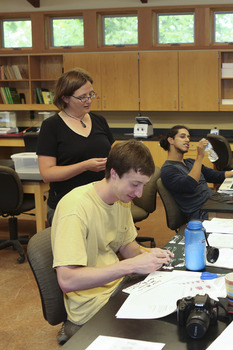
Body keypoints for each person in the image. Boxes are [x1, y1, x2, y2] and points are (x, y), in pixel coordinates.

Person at [52, 140, 173, 344]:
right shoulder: (75, 208)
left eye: (143, 185)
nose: (139, 194)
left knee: (173, 309)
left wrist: (149, 255)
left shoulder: (120, 201)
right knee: (157, 331)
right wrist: (130, 266)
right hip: (91, 303)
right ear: (114, 173)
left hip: (117, 286)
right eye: (135, 184)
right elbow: (67, 280)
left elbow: (127, 247)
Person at [37, 68, 114, 224]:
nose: (89, 100)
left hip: (101, 201)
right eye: (82, 97)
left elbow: (112, 155)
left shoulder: (99, 121)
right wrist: (84, 166)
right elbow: (47, 174)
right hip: (67, 206)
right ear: (65, 98)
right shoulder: (51, 126)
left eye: (91, 94)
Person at [159, 125, 233, 220]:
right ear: (171, 140)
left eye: (188, 137)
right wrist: (200, 156)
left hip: (214, 203)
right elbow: (190, 184)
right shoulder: (168, 169)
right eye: (182, 137)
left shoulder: (190, 162)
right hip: (203, 214)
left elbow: (215, 176)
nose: (187, 140)